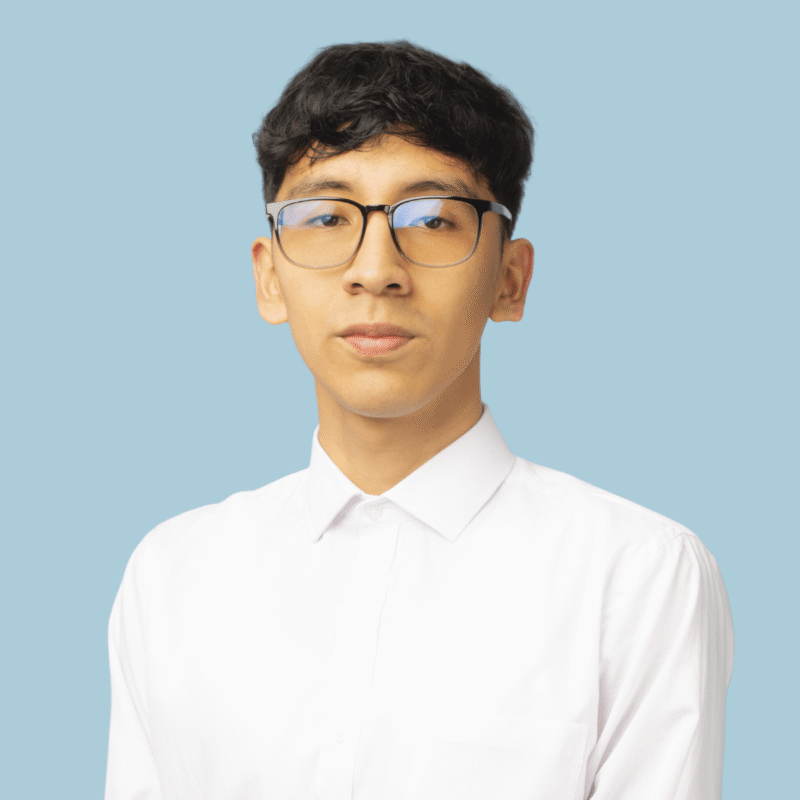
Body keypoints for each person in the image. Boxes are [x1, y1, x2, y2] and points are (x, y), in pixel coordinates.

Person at [105, 41, 734, 800]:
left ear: (510, 279)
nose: (376, 270)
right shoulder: (173, 575)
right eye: (325, 216)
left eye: (433, 218)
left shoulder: (636, 577)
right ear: (269, 278)